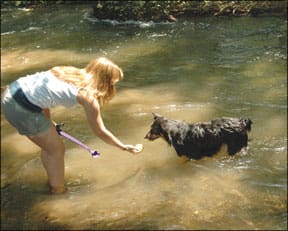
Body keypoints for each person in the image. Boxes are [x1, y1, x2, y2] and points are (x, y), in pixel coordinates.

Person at [1, 57, 143, 194]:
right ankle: (58, 192)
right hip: (20, 108)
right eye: (113, 83)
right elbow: (100, 131)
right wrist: (123, 147)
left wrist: (49, 122)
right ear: (105, 82)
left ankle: (52, 181)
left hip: (11, 92)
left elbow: (41, 96)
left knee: (51, 147)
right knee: (56, 150)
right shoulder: (87, 97)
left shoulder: (66, 72)